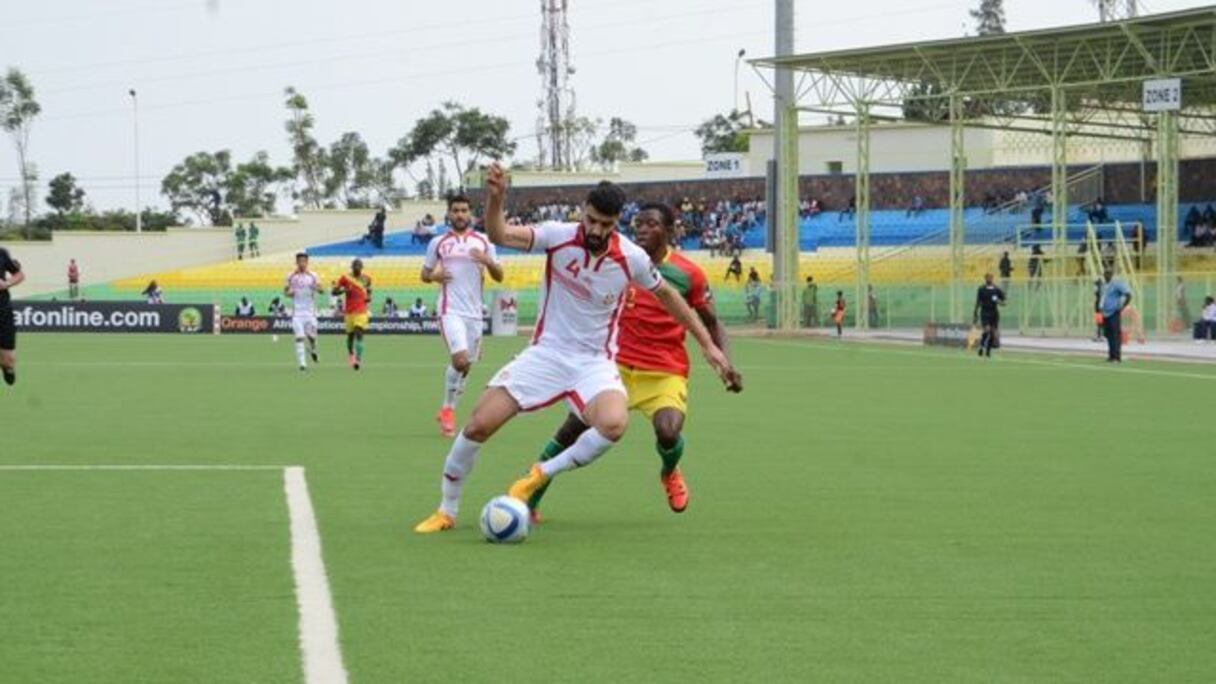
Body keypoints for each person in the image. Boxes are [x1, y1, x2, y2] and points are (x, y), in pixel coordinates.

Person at [413, 165, 733, 534]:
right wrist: (497, 198)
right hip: (545, 354)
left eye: (606, 225)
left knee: (614, 424)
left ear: (617, 223)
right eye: (592, 220)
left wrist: (708, 347)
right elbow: (499, 233)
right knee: (478, 425)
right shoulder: (557, 236)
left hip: (593, 363)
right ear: (583, 211)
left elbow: (669, 297)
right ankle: (446, 510)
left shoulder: (631, 258)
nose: (597, 230)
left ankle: (537, 476)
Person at [527, 202, 742, 519]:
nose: (641, 228)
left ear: (670, 230)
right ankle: (530, 497)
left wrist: (725, 361)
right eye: (638, 222)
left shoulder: (688, 273)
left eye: (651, 223)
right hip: (613, 366)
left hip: (664, 369)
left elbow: (711, 320)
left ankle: (669, 471)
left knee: (668, 432)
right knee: (571, 430)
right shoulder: (620, 262)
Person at [423, 193, 505, 437]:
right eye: (455, 210)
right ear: (449, 213)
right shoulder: (437, 242)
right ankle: (448, 411)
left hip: (474, 314)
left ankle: (448, 407)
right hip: (450, 310)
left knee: (466, 367)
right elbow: (425, 274)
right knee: (460, 361)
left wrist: (488, 262)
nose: (459, 214)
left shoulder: (484, 241)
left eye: (463, 210)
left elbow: (499, 276)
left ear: (470, 214)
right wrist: (435, 276)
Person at [332, 258, 373, 370]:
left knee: (358, 332)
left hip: (361, 311)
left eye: (359, 266)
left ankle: (358, 360)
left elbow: (369, 292)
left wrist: (368, 298)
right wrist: (344, 290)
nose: (357, 268)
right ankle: (351, 355)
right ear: (352, 267)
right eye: (355, 266)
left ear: (362, 267)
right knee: (350, 336)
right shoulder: (345, 278)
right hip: (349, 312)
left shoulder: (367, 279)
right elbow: (333, 292)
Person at [286, 252, 323, 371]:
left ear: (307, 263)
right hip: (297, 313)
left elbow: (322, 290)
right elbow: (286, 291)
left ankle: (313, 350)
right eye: (299, 261)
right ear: (296, 262)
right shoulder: (291, 276)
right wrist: (289, 293)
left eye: (304, 261)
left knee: (312, 337)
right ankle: (302, 364)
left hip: (310, 313)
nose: (302, 263)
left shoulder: (313, 276)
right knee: (299, 337)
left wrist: (316, 287)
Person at [0, 247, 26, 387]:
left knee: (8, 360)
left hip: (3, 311)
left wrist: (6, 284)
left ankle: (6, 367)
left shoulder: (2, 253)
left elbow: (19, 275)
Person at [1098, 268, 1132, 363]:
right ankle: (1111, 355)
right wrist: (1100, 308)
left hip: (1113, 312)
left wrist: (1122, 306)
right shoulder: (1104, 285)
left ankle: (1117, 356)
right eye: (1105, 273)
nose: (1106, 275)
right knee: (1108, 335)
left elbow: (1128, 294)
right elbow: (1102, 298)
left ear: (1112, 274)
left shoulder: (1117, 284)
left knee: (1115, 335)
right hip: (1105, 313)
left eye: (1108, 273)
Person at [972, 273, 1006, 358]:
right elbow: (978, 302)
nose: (989, 279)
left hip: (994, 313)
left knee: (993, 333)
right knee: (987, 330)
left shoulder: (996, 289)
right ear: (985, 279)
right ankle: (981, 347)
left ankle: (988, 350)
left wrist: (999, 301)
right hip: (985, 313)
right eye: (987, 278)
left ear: (992, 279)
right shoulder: (981, 289)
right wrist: (975, 313)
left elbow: (1004, 301)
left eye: (991, 278)